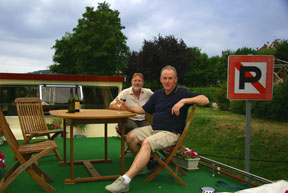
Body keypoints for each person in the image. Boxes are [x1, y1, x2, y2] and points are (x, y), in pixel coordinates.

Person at [105, 65, 209, 193]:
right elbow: (142, 110)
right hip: (154, 129)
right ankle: (142, 167)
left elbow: (205, 100)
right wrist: (127, 107)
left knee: (147, 142)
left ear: (175, 79)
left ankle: (125, 180)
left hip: (171, 133)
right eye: (164, 78)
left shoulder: (182, 93)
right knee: (130, 136)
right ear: (161, 79)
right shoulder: (158, 94)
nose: (167, 81)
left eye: (170, 78)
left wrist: (183, 101)